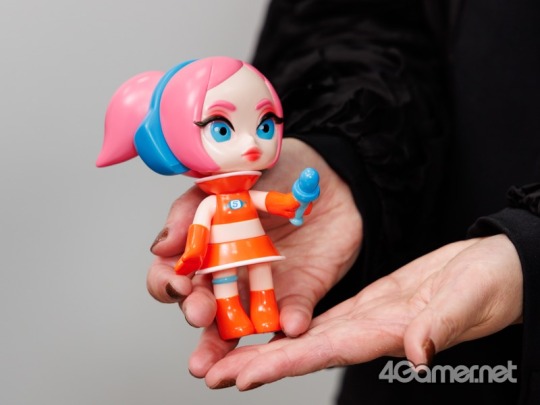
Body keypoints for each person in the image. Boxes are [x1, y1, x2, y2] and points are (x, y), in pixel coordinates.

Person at [147, 0, 540, 403]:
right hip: (426, 351)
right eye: (223, 130)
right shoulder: (217, 202)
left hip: (447, 293)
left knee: (261, 279)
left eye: (264, 126)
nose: (250, 144)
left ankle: (260, 308)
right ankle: (236, 315)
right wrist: (345, 158)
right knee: (231, 285)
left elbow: (272, 204)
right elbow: (351, 22)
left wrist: (532, 243)